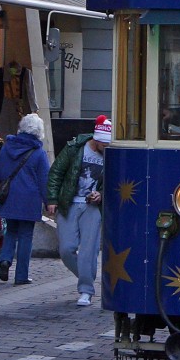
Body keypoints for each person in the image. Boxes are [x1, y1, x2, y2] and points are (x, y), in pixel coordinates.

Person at [47, 115, 110, 306]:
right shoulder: (75, 148)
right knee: (66, 249)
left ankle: (85, 290)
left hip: (92, 208)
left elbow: (114, 181)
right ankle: (87, 276)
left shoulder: (109, 155)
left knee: (88, 251)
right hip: (69, 203)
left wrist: (100, 194)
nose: (107, 147)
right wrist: (52, 199)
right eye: (104, 144)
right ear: (96, 138)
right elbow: (56, 172)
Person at [0, 113, 51, 285]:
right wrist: (49, 202)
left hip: (9, 197)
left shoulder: (7, 148)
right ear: (39, 132)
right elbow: (44, 179)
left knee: (10, 231)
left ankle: (5, 259)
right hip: (29, 200)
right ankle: (21, 275)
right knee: (25, 236)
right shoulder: (39, 153)